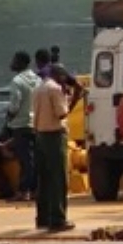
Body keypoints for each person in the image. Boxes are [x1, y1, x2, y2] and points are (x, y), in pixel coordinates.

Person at [33, 64, 74, 232]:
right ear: (60, 76)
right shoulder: (55, 89)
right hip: (54, 136)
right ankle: (57, 219)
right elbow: (61, 114)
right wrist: (70, 98)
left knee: (44, 179)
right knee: (58, 179)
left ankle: (42, 217)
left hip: (40, 135)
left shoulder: (39, 87)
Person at [2, 50, 40, 201]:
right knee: (34, 159)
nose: (12, 63)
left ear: (20, 63)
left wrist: (9, 118)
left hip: (20, 125)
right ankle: (35, 189)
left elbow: (14, 105)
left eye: (14, 60)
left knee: (24, 160)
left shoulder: (17, 81)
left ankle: (23, 191)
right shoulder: (37, 79)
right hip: (35, 124)